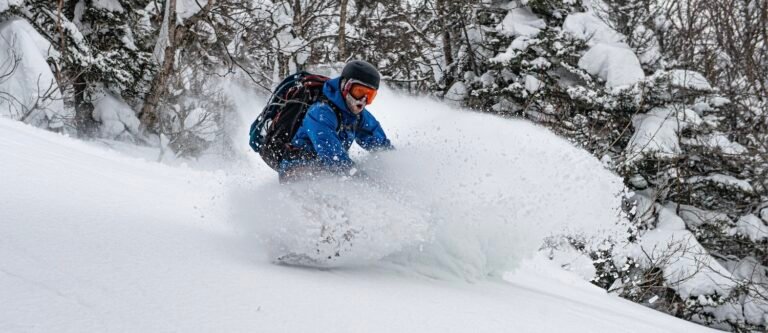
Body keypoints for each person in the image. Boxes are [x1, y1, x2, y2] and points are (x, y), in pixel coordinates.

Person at [278, 60, 393, 182]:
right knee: (344, 184)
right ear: (345, 85)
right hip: (296, 170)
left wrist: (394, 166)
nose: (362, 100)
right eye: (359, 92)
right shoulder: (320, 112)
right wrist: (364, 181)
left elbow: (380, 145)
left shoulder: (359, 116)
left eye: (369, 96)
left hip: (326, 169)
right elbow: (332, 155)